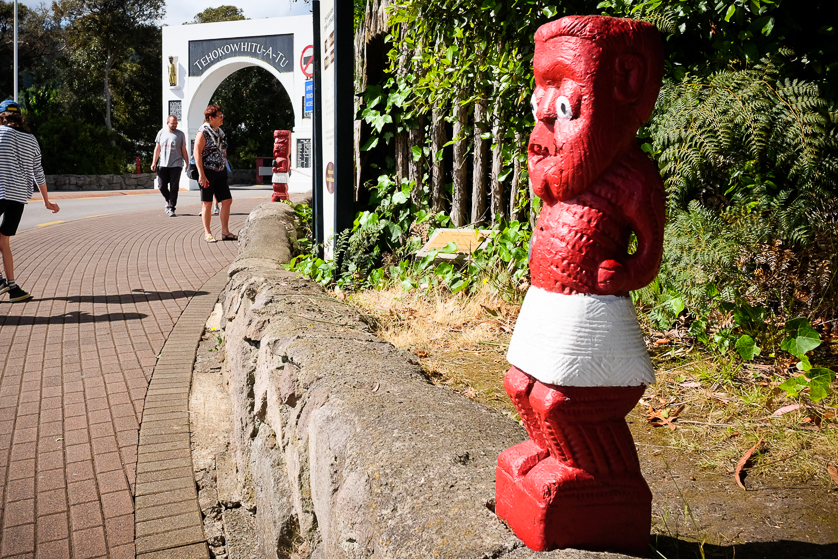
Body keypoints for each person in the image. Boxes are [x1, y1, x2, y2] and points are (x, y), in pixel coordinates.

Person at [0, 100, 60, 302]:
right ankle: (13, 288)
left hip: (1, 192)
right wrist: (46, 201)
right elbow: (38, 172)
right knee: (3, 240)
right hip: (18, 198)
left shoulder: (0, 133)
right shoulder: (31, 139)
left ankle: (0, 281)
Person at [194, 105, 236, 242]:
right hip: (207, 171)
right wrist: (201, 174)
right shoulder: (203, 132)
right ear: (210, 118)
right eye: (219, 116)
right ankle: (208, 233)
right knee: (207, 203)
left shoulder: (219, 132)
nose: (222, 118)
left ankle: (225, 232)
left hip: (220, 170)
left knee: (227, 200)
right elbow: (197, 153)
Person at [151, 114, 189, 217]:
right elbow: (157, 148)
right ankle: (169, 202)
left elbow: (184, 150)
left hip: (176, 164)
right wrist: (154, 162)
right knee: (161, 186)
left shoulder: (180, 134)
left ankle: (171, 208)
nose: (175, 125)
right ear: (168, 123)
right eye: (173, 123)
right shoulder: (161, 133)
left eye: (176, 123)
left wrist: (187, 163)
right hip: (163, 164)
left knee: (174, 187)